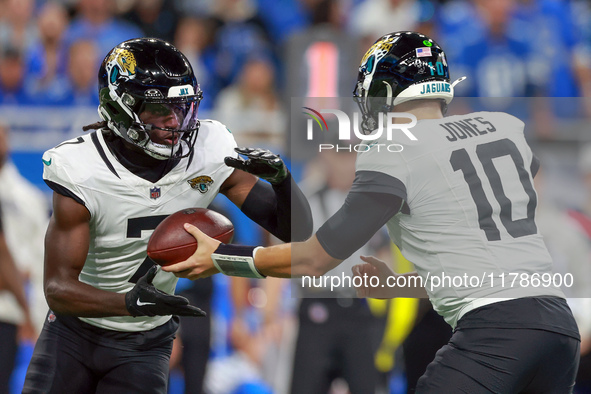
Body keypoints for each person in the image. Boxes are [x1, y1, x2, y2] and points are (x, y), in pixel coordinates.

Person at [164, 31, 582, 392]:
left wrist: (220, 259)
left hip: (496, 331)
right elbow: (485, 264)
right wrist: (398, 284)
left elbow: (315, 259)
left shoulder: (394, 152)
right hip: (558, 329)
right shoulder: (503, 126)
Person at [22, 37, 312, 393]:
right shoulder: (82, 169)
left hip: (146, 343)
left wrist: (283, 182)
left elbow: (296, 231)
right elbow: (58, 288)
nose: (174, 121)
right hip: (73, 334)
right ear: (121, 107)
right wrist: (129, 303)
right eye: (159, 110)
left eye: (182, 107)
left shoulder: (209, 149)